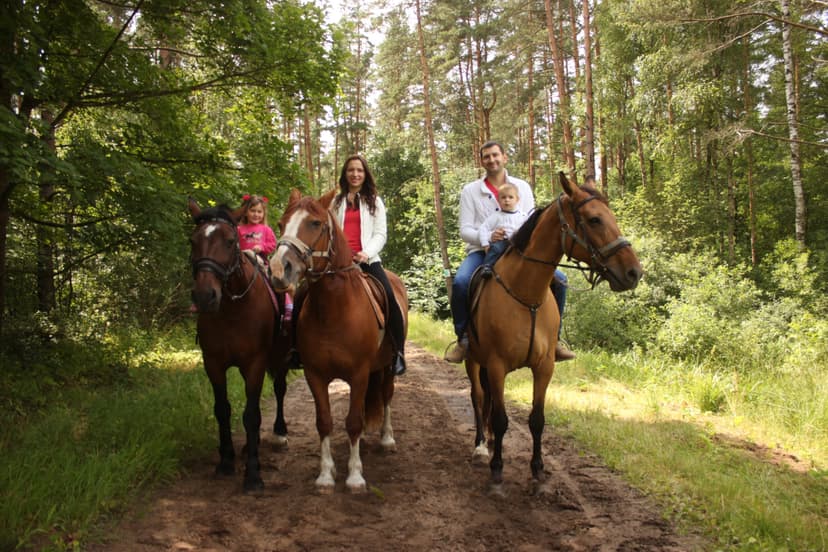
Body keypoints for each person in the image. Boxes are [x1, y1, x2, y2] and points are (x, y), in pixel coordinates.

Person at [444, 140, 574, 363]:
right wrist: (487, 238)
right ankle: (463, 339)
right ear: (481, 161)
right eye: (486, 156)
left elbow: (533, 222)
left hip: (519, 252)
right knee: (461, 283)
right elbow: (465, 230)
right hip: (482, 251)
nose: (491, 160)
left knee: (560, 280)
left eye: (495, 155)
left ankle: (556, 339)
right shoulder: (470, 191)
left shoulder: (521, 186)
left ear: (505, 157)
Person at [286, 154, 407, 377]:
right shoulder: (336, 202)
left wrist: (365, 253)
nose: (355, 174)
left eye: (359, 170)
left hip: (367, 260)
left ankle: (397, 352)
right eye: (351, 170)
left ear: (365, 174)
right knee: (302, 294)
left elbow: (381, 234)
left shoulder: (375, 201)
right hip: (335, 262)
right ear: (345, 174)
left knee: (390, 297)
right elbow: (324, 230)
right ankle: (295, 350)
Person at [238, 194, 292, 320]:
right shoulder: (239, 229)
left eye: (259, 211)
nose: (256, 214)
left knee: (277, 278)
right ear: (246, 212)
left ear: (263, 214)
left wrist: (262, 247)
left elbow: (273, 244)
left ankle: (287, 305)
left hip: (260, 261)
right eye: (252, 211)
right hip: (242, 261)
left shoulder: (266, 229)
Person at [478, 181, 528, 275]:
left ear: (517, 199)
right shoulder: (496, 216)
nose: (507, 200)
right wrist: (485, 244)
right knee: (495, 248)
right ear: (498, 200)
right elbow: (483, 228)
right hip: (503, 242)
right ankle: (487, 266)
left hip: (519, 243)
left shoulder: (523, 216)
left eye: (510, 197)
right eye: (503, 197)